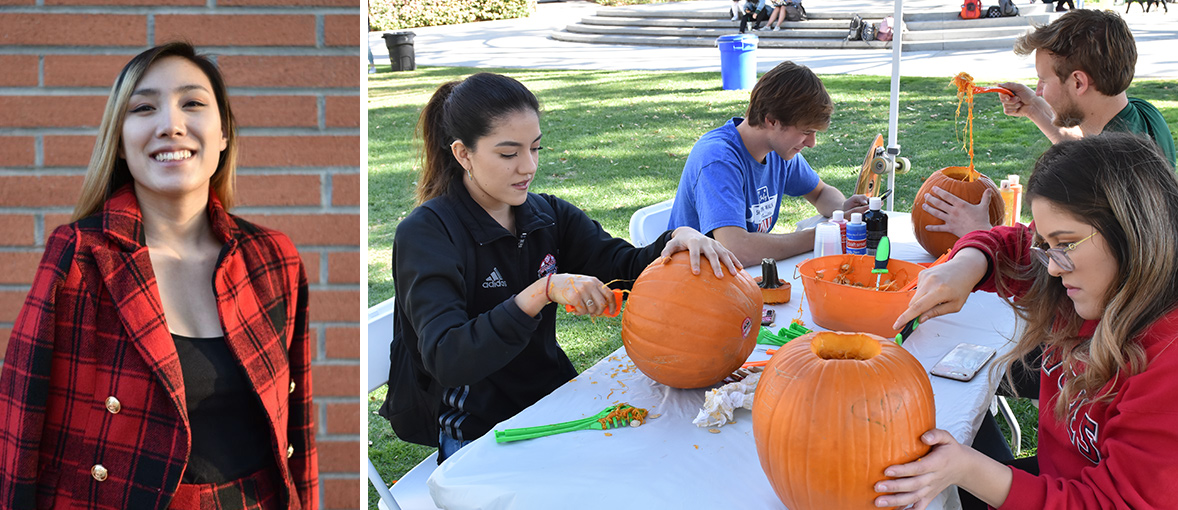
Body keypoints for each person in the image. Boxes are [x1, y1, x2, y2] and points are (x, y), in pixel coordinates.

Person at [0, 43, 317, 509]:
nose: (170, 124)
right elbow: (17, 424)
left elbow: (296, 429)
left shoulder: (272, 258)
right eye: (144, 108)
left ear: (224, 132)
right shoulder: (79, 258)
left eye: (192, 103)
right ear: (121, 141)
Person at [380, 72, 740, 462]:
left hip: (556, 400)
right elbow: (448, 358)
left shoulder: (546, 214)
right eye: (508, 153)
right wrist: (541, 291)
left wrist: (676, 239)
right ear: (463, 154)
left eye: (535, 148)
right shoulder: (427, 234)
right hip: (481, 430)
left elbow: (622, 266)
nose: (527, 167)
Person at [876, 132, 1178, 510]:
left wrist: (968, 469)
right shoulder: (1089, 282)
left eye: (1066, 245)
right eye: (1047, 245)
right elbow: (1012, 244)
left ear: (1132, 233)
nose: (1052, 266)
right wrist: (968, 264)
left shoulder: (1167, 362)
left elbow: (1112, 503)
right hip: (1054, 480)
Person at [922, 10, 1176, 239]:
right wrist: (1034, 108)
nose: (1039, 91)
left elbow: (1049, 258)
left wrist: (982, 231)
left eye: (1043, 80)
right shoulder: (1144, 115)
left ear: (1078, 82)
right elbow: (1083, 150)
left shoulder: (1107, 170)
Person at [667, 61, 868, 267]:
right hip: (694, 281)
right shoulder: (718, 158)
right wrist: (820, 235)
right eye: (806, 132)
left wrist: (842, 211)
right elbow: (737, 248)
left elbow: (820, 192)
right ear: (772, 120)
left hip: (737, 276)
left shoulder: (778, 152)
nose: (812, 143)